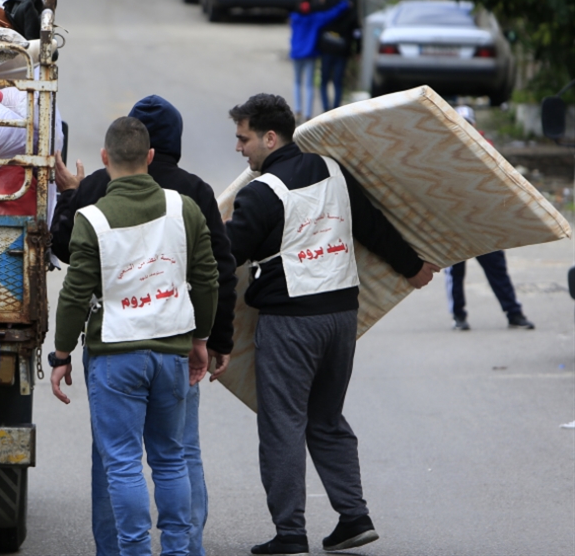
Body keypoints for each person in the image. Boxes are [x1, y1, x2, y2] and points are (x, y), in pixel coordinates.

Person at [225, 94, 439, 555]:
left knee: (282, 424)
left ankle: (289, 534)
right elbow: (371, 226)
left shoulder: (262, 194)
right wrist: (412, 266)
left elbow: (228, 255)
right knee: (325, 418)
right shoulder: (332, 170)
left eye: (243, 139)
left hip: (290, 323)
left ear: (269, 136)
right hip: (341, 317)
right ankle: (353, 517)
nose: (239, 150)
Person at [50, 95, 238, 556]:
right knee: (174, 457)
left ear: (105, 156)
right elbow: (213, 275)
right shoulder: (187, 202)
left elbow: (74, 287)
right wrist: (203, 339)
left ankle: (126, 550)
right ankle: (180, 548)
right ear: (151, 154)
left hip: (114, 354)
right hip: (173, 349)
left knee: (120, 463)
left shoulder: (90, 206)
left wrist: (61, 353)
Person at [445, 106, 535, 331]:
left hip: (485, 224)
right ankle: (459, 317)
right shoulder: (443, 151)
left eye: (468, 123)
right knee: (454, 272)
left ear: (475, 125)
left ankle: (514, 314)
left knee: (497, 269)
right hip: (456, 225)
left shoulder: (487, 149)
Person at [289, 0, 349, 123]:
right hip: (310, 55)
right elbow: (332, 14)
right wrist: (344, 4)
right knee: (309, 85)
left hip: (296, 53)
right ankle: (308, 115)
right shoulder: (315, 18)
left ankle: (298, 110)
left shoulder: (294, 18)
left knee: (297, 82)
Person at [315, 0, 359, 112]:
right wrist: (358, 50)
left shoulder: (323, 8)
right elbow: (356, 31)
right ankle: (336, 110)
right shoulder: (348, 7)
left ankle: (325, 109)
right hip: (343, 50)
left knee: (324, 81)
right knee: (338, 82)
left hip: (327, 50)